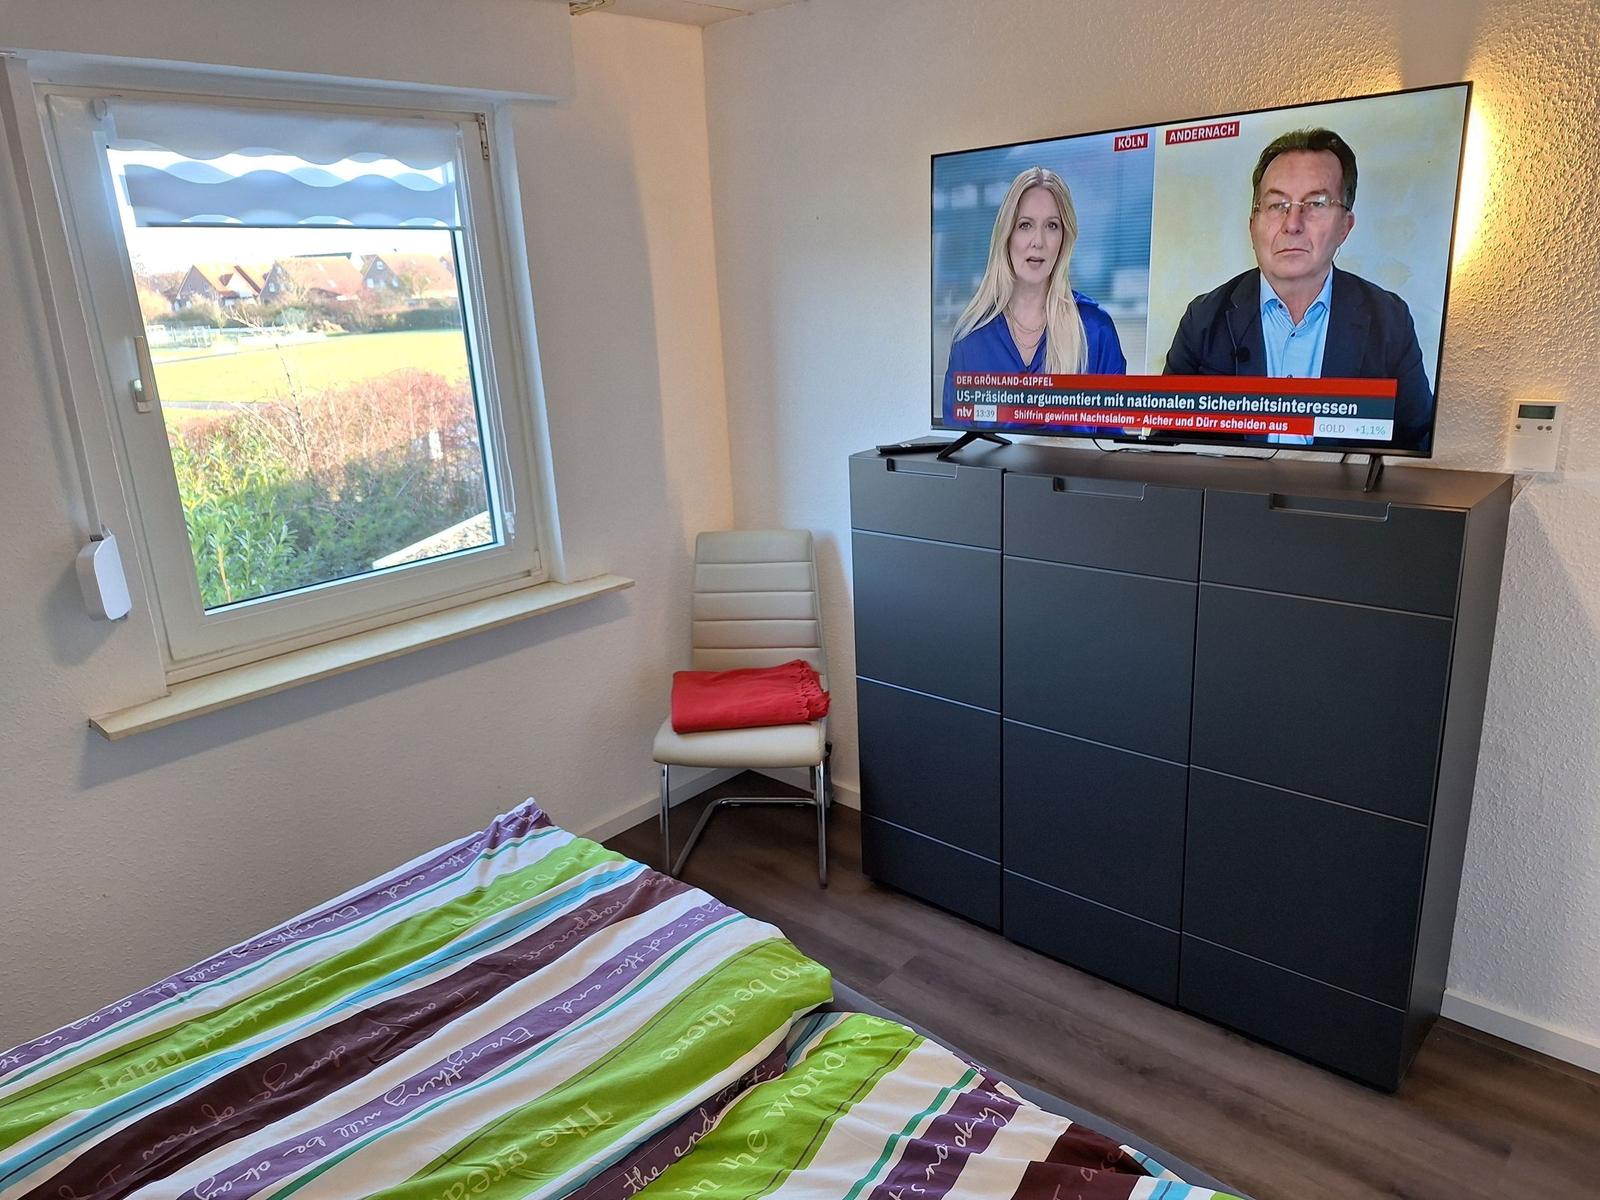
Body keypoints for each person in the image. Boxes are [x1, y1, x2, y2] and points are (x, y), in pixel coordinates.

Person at [1163, 128, 1434, 450]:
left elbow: (1414, 446)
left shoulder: (1388, 319)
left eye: (1316, 203)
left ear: (1345, 227)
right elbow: (1168, 449)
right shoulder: (1204, 318)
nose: (1292, 224)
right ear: (1253, 225)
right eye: (1277, 205)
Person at [942, 166, 1125, 420]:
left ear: (1064, 238)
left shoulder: (1096, 330)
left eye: (1052, 226)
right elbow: (960, 446)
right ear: (1007, 235)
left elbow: (1111, 446)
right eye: (1025, 225)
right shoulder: (971, 337)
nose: (1038, 241)